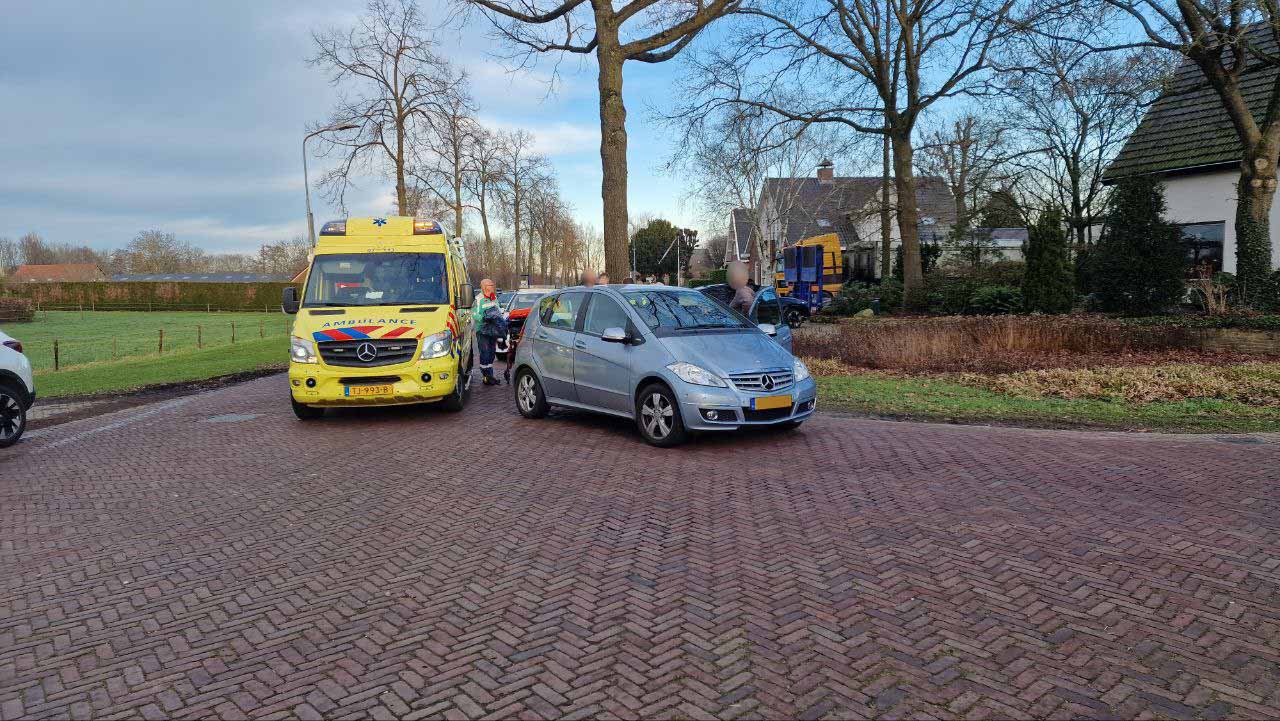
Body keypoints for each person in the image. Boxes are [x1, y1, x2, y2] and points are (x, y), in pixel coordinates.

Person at [472, 278, 506, 386]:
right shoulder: (478, 299)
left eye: (492, 285)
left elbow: (498, 310)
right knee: (485, 353)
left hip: (492, 330)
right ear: (483, 287)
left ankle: (490, 375)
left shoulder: (493, 297)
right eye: (490, 285)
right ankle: (486, 377)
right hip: (482, 330)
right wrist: (484, 318)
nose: (492, 287)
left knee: (491, 353)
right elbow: (473, 313)